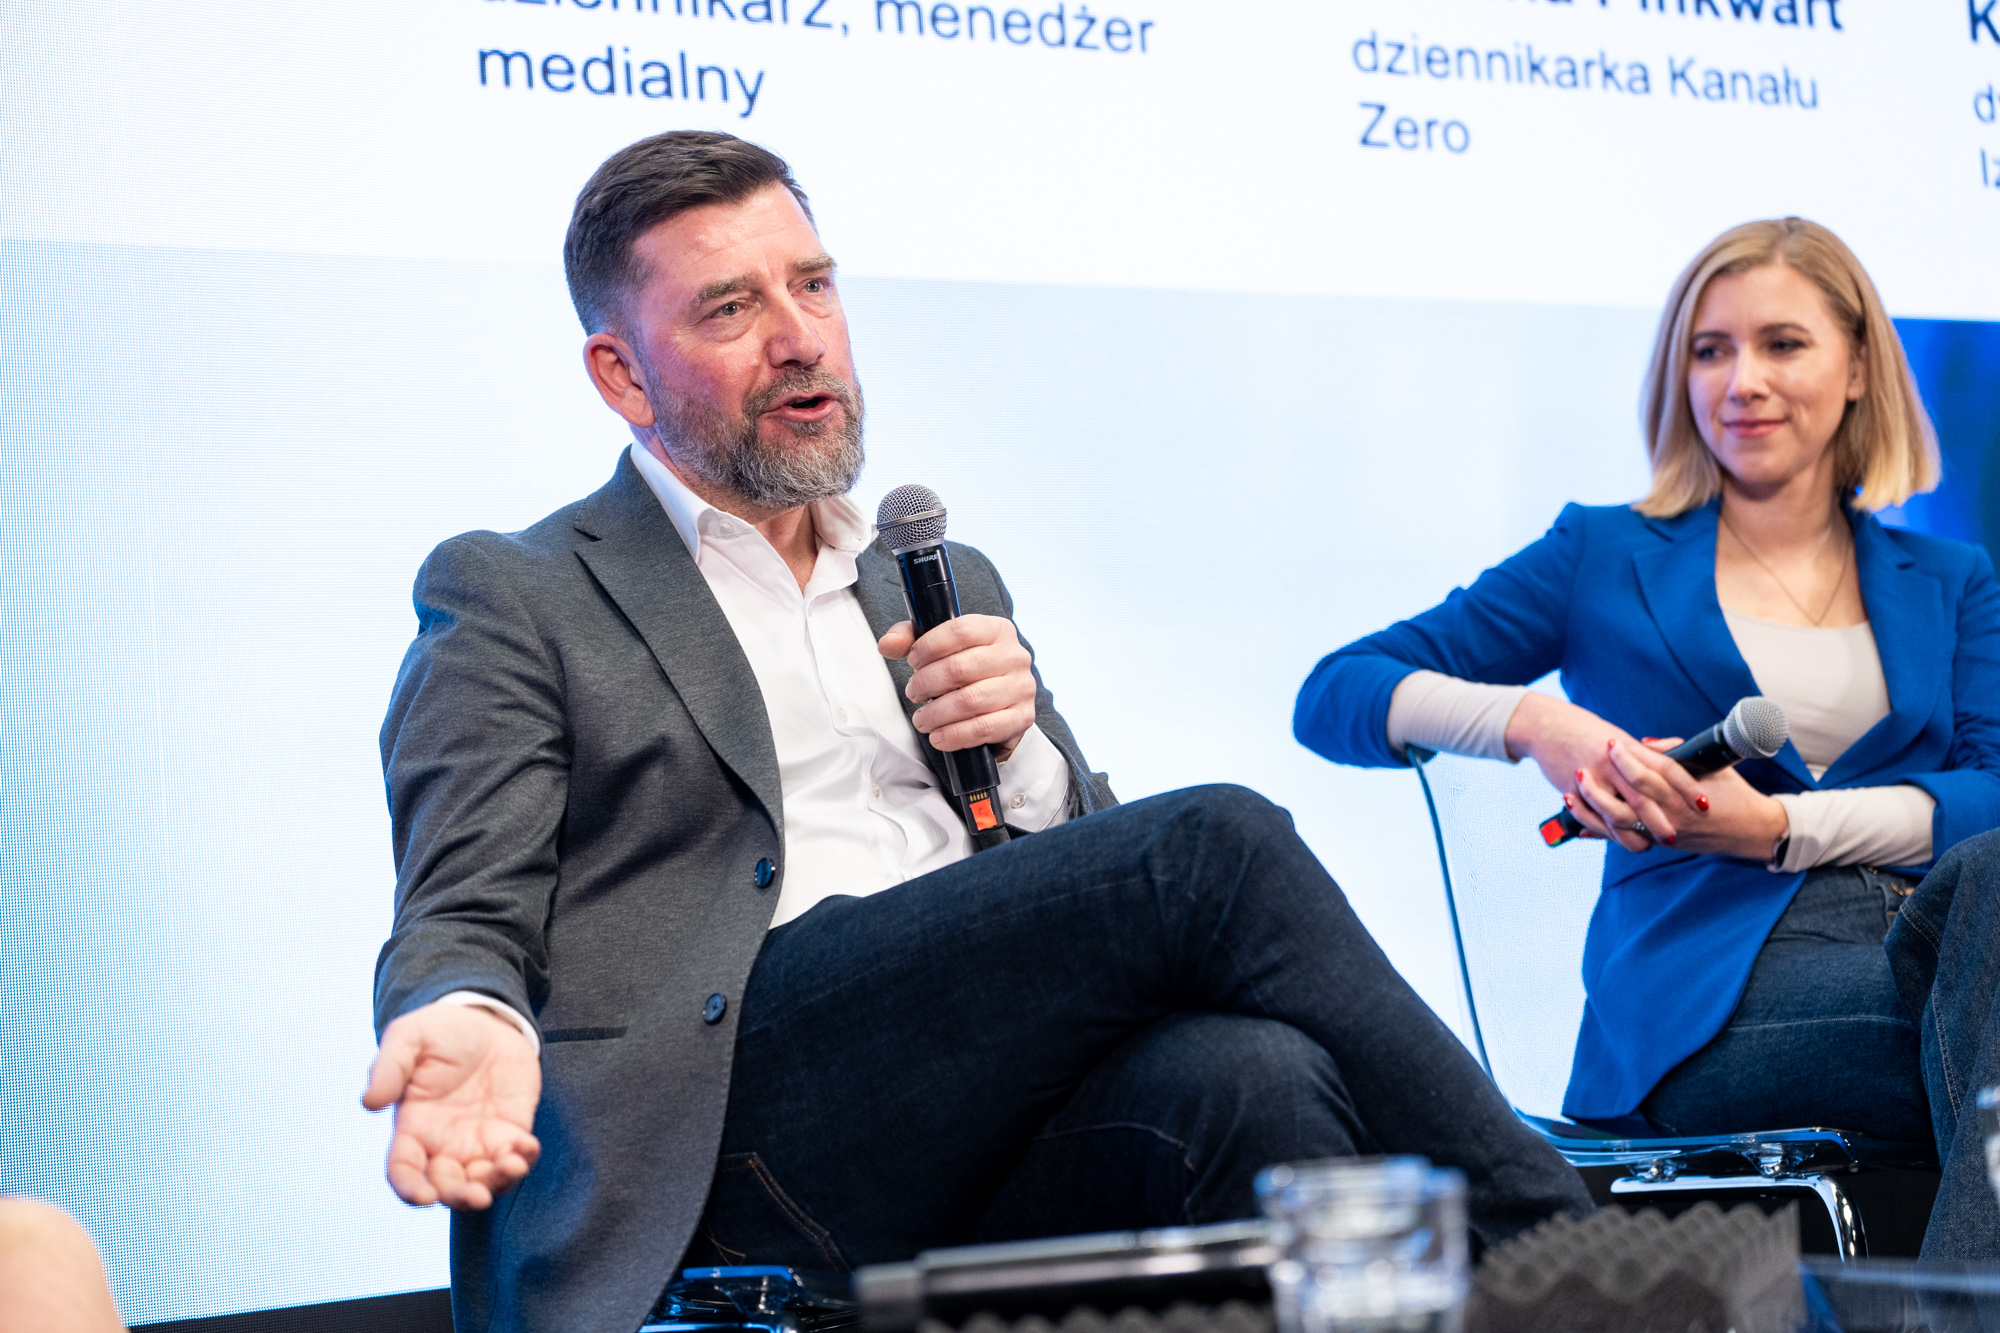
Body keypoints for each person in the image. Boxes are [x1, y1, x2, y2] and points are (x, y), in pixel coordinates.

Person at [362, 131, 1591, 1333]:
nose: (799, 338)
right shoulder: (518, 591)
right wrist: (463, 1013)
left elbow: (1094, 893)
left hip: (970, 1120)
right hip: (731, 1130)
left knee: (1252, 1074)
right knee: (1212, 845)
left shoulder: (934, 576)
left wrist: (1025, 764)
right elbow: (461, 906)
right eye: (730, 309)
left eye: (813, 285)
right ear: (622, 375)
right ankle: (1572, 1267)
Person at [1294, 217, 2000, 1255]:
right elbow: (1334, 694)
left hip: (1944, 944)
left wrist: (1777, 827)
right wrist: (1537, 722)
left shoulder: (1950, 578)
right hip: (1709, 996)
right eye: (1709, 351)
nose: (1741, 381)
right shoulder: (1600, 552)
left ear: (1858, 368)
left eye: (1781, 344)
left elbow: (1990, 794)